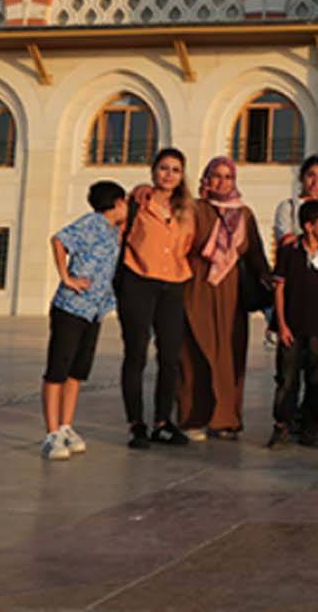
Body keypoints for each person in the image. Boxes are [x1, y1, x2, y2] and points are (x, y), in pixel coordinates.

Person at [178, 156, 270, 440]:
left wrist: (271, 283)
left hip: (231, 294)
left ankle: (225, 419)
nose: (221, 181)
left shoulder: (244, 214)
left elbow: (255, 254)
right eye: (215, 176)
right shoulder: (192, 209)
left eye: (227, 177)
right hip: (196, 287)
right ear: (206, 179)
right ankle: (192, 419)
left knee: (229, 354)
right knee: (193, 352)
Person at [40, 182, 128, 461]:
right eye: (125, 202)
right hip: (71, 307)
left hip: (94, 310)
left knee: (77, 372)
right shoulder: (92, 223)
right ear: (116, 202)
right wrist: (66, 277)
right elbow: (59, 240)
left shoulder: (114, 230)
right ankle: (52, 433)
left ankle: (66, 426)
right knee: (57, 370)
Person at [116, 148, 196, 449]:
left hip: (173, 284)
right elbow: (118, 235)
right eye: (164, 168)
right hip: (138, 281)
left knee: (170, 355)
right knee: (136, 353)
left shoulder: (186, 210)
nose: (169, 175)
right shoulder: (137, 203)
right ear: (153, 171)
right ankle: (136, 423)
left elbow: (187, 245)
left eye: (176, 170)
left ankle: (163, 421)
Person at [268, 200, 318, 449]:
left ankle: (311, 424)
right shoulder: (290, 252)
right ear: (309, 226)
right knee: (287, 377)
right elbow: (279, 289)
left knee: (317, 377)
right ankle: (282, 424)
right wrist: (282, 325)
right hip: (293, 326)